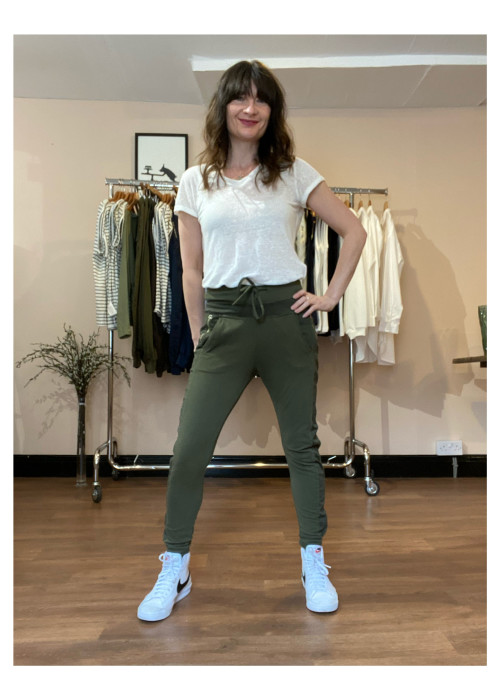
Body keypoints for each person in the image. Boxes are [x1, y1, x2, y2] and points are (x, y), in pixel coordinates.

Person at [137, 60, 367, 622]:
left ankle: (313, 558)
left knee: (301, 447)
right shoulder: (195, 181)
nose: (250, 107)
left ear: (272, 111)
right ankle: (175, 565)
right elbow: (191, 269)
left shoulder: (291, 171)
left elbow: (354, 230)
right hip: (224, 321)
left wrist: (329, 296)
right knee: (190, 447)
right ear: (224, 108)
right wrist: (198, 333)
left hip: (284, 319)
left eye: (261, 99)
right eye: (240, 98)